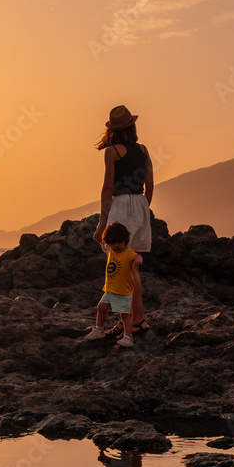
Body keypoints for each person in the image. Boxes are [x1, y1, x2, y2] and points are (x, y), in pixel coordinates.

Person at [93, 104, 153, 337]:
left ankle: (134, 321)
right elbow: (150, 184)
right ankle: (133, 321)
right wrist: (144, 208)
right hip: (140, 204)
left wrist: (102, 222)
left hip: (121, 205)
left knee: (121, 266)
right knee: (132, 266)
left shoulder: (112, 152)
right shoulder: (144, 150)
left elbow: (108, 187)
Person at [84, 221, 142, 347]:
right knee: (101, 308)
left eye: (119, 242)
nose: (116, 246)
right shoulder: (111, 252)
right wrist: (100, 240)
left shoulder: (128, 253)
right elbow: (104, 247)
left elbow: (136, 256)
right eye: (112, 243)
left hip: (123, 292)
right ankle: (99, 329)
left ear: (125, 241)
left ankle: (128, 337)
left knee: (125, 315)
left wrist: (138, 260)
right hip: (110, 290)